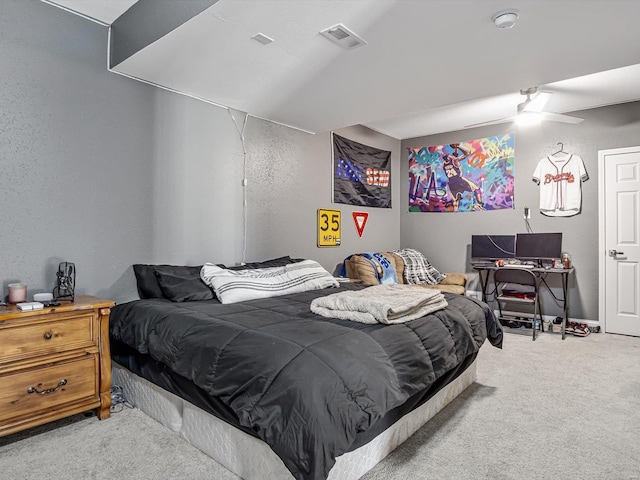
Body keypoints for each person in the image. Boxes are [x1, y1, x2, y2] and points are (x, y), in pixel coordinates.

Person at [442, 143, 483, 211]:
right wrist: (459, 146)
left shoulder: (444, 165)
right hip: (459, 180)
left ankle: (455, 212)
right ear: (449, 157)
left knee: (457, 200)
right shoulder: (455, 160)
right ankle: (480, 204)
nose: (452, 155)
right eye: (450, 155)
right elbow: (467, 152)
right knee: (476, 189)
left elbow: (454, 155)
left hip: (451, 183)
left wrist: (455, 149)